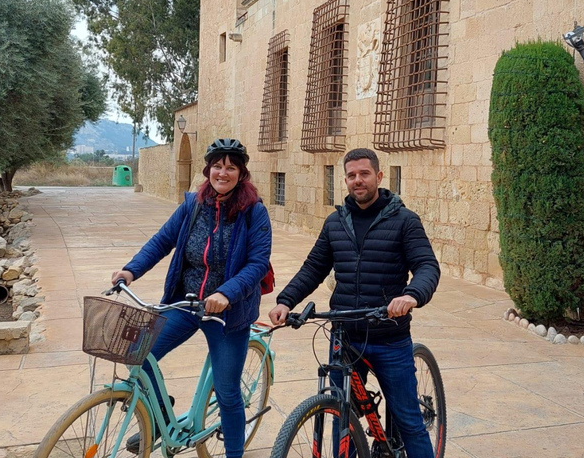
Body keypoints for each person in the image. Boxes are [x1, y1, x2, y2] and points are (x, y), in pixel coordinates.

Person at [268, 148, 440, 458]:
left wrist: (412, 295)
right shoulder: (335, 222)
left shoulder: (404, 221)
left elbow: (427, 266)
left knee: (409, 421)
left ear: (379, 176)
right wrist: (286, 301)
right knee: (340, 416)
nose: (357, 180)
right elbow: (313, 268)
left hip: (389, 337)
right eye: (351, 175)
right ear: (344, 179)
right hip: (344, 337)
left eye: (364, 173)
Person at [112, 138, 272, 458]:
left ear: (241, 174)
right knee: (138, 354)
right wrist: (130, 271)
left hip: (228, 314)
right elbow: (161, 241)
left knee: (227, 393)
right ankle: (158, 419)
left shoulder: (254, 212)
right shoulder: (192, 204)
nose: (222, 173)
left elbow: (257, 263)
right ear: (207, 170)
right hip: (186, 304)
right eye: (217, 166)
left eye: (230, 167)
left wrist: (226, 293)